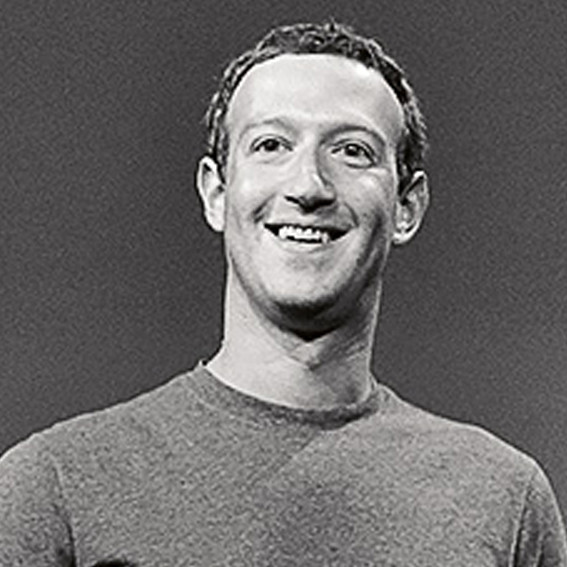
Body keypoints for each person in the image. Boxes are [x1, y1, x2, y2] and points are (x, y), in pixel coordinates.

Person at [0, 20, 565, 566]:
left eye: (352, 151)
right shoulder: (54, 489)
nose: (308, 185)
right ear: (216, 193)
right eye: (271, 144)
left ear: (406, 207)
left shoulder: (503, 500)